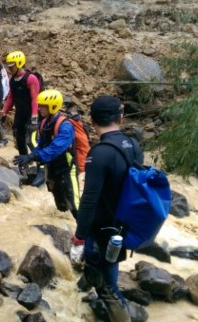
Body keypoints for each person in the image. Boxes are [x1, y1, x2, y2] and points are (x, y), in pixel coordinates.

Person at [72, 95, 143, 322]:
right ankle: (81, 289)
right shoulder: (133, 145)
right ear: (120, 118)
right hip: (124, 223)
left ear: (92, 120)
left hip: (102, 226)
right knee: (106, 263)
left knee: (108, 285)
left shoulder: (99, 153)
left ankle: (120, 314)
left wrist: (79, 236)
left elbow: (90, 199)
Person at [13, 89, 79, 217]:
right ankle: (62, 228)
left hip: (67, 169)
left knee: (75, 205)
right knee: (61, 205)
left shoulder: (65, 127)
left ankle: (82, 234)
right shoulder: (44, 123)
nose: (39, 108)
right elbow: (41, 146)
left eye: (43, 106)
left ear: (53, 107)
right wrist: (28, 157)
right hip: (53, 169)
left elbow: (54, 149)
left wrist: (33, 156)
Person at [1, 51, 41, 157]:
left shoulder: (31, 79)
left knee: (31, 140)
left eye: (11, 66)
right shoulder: (12, 80)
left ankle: (41, 162)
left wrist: (34, 115)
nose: (9, 68)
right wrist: (4, 111)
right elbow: (11, 97)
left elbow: (34, 98)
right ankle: (24, 160)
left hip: (31, 114)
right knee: (19, 138)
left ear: (19, 64)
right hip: (19, 114)